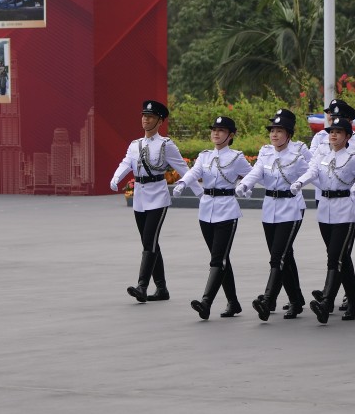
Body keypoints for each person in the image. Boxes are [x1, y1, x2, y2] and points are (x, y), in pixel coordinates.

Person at [292, 105, 355, 323]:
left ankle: (326, 302)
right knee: (341, 257)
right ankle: (354, 300)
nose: (333, 135)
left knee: (334, 257)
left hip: (345, 209)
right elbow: (312, 171)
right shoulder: (322, 154)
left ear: (347, 136)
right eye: (331, 132)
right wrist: (300, 182)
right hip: (325, 209)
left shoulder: (353, 157)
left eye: (338, 132)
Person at [172, 116, 253, 319]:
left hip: (227, 210)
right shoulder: (205, 156)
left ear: (231, 135)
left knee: (218, 259)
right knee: (221, 259)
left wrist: (246, 187)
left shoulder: (236, 158)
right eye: (214, 130)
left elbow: (253, 174)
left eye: (221, 130)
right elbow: (195, 172)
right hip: (206, 210)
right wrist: (182, 182)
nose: (216, 133)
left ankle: (206, 302)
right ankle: (233, 303)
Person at [236, 109, 312, 321]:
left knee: (277, 256)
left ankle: (268, 300)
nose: (274, 135)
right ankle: (296, 300)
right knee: (284, 255)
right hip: (270, 208)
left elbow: (313, 172)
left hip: (291, 207)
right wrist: (245, 184)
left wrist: (301, 184)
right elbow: (257, 171)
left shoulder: (297, 153)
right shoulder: (266, 152)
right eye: (272, 131)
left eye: (279, 131)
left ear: (289, 134)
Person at [110, 100, 189, 303]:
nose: (146, 119)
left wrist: (201, 192)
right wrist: (116, 178)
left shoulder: (166, 145)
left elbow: (184, 170)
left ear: (159, 121)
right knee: (150, 242)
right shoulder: (135, 145)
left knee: (149, 242)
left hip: (158, 196)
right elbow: (126, 163)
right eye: (144, 116)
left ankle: (142, 286)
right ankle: (162, 289)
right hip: (140, 197)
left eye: (151, 117)